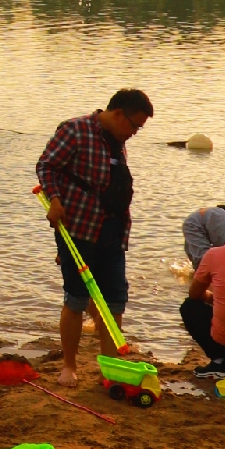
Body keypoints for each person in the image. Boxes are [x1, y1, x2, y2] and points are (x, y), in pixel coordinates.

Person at [36, 87, 155, 386]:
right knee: (76, 297)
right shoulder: (75, 130)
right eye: (134, 126)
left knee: (114, 300)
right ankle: (69, 367)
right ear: (118, 114)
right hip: (77, 228)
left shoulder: (118, 140)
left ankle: (111, 370)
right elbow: (46, 165)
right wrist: (55, 200)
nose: (134, 133)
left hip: (114, 231)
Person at [181, 217, 225, 376]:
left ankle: (220, 363)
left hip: (224, 344)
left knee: (189, 307)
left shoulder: (214, 254)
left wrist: (213, 298)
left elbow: (194, 294)